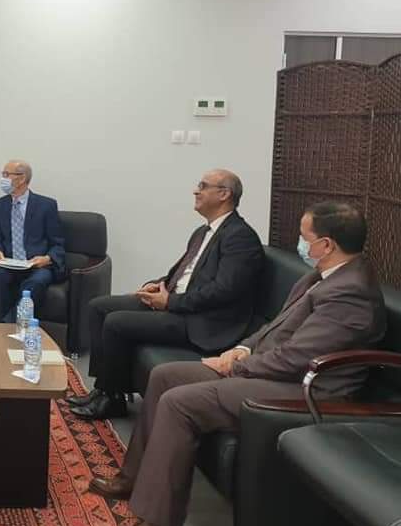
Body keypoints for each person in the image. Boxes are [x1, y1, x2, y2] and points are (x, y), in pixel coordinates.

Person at [90, 202, 385, 526]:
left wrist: (234, 366)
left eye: (305, 237)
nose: (300, 244)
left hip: (307, 391)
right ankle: (134, 478)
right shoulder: (321, 275)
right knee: (165, 375)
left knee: (179, 403)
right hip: (271, 371)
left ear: (327, 244)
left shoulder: (350, 294)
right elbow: (274, 329)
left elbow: (296, 359)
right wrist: (242, 349)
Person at [71, 169, 263, 420]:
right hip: (180, 304)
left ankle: (112, 399)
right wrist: (158, 285)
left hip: (203, 321)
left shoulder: (240, 237)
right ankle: (104, 389)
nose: (196, 191)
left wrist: (170, 301)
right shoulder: (203, 232)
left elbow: (224, 291)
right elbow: (187, 273)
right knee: (98, 307)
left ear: (224, 194)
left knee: (116, 322)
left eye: (203, 186)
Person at [0, 160, 66, 323]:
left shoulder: (46, 206)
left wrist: (47, 258)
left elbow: (57, 242)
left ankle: (9, 325)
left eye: (6, 175)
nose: (3, 179)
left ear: (21, 178)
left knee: (37, 281)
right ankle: (10, 326)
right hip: (9, 263)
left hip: (36, 265)